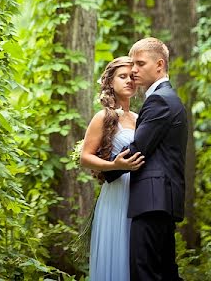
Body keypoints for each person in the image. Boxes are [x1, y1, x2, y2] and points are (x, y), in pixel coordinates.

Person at [104, 37, 187, 281]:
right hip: (161, 199)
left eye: (140, 64)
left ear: (159, 65)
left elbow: (139, 147)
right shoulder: (168, 97)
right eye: (132, 65)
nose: (134, 70)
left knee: (145, 273)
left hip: (152, 200)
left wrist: (108, 170)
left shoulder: (160, 99)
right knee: (165, 273)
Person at [80, 56, 145, 281]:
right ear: (110, 82)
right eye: (122, 76)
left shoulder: (140, 118)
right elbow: (85, 158)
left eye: (132, 77)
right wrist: (114, 165)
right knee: (117, 252)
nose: (129, 81)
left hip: (140, 193)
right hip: (116, 193)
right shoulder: (103, 117)